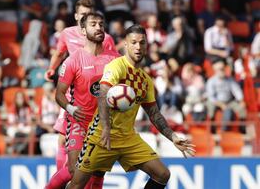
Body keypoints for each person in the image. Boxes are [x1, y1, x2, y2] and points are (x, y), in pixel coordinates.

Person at [68, 25, 195, 189]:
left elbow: (154, 114)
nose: (138, 47)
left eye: (142, 43)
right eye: (133, 42)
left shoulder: (145, 80)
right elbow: (103, 93)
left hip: (127, 138)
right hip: (100, 136)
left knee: (162, 174)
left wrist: (173, 137)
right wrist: (106, 128)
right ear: (126, 45)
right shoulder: (116, 66)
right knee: (76, 186)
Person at [44, 0, 116, 178]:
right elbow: (59, 53)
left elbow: (113, 62)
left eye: (89, 15)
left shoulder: (106, 38)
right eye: (83, 14)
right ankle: (62, 175)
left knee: (96, 159)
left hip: (95, 96)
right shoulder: (67, 34)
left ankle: (71, 178)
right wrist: (52, 68)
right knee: (63, 139)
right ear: (76, 16)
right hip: (71, 92)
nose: (86, 17)